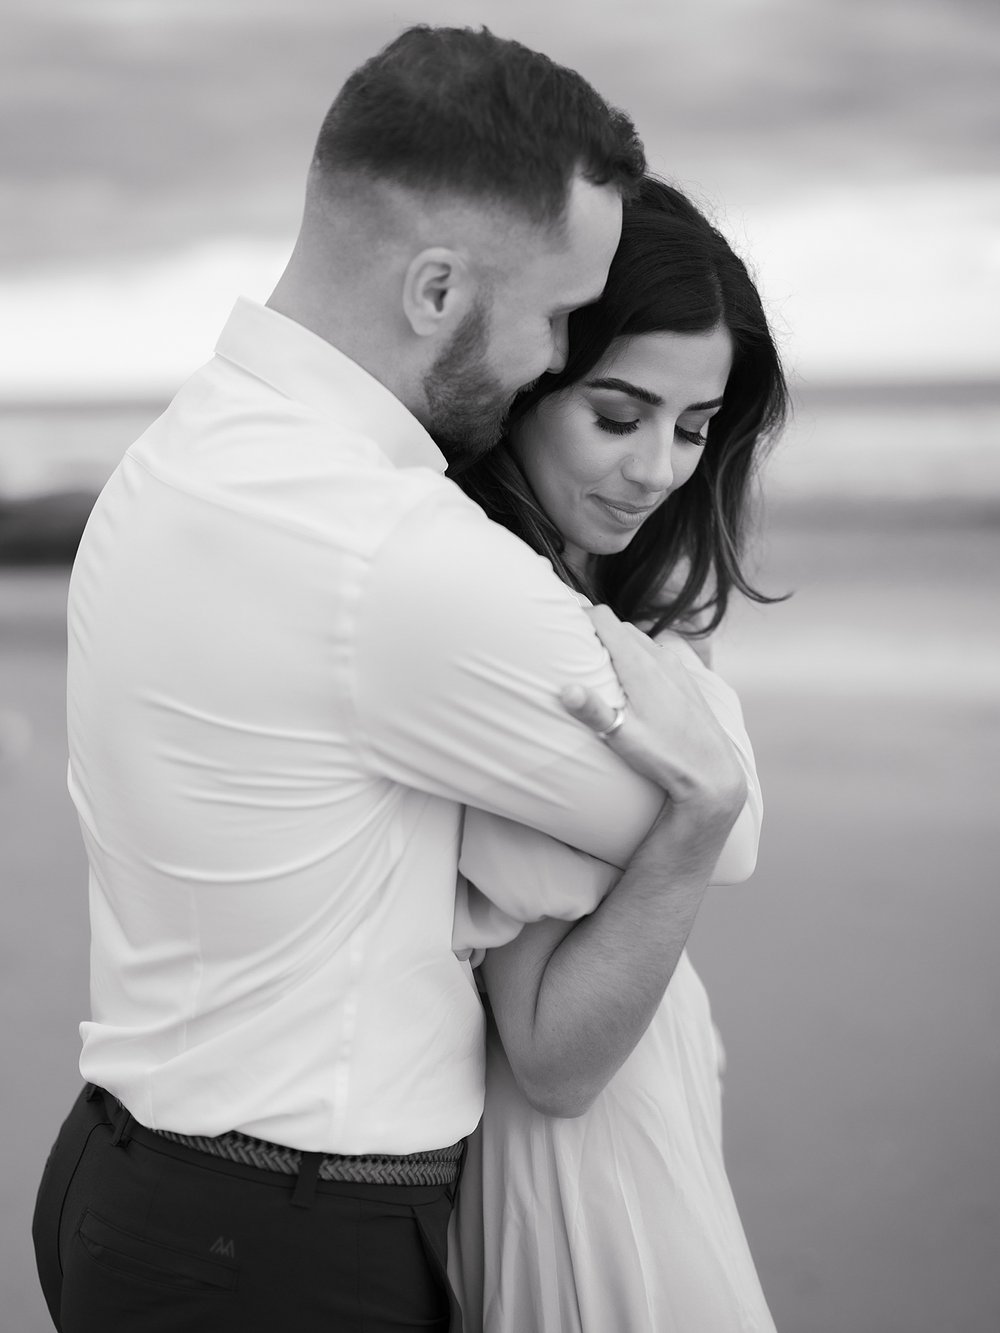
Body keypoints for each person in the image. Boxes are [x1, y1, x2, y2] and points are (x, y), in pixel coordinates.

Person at [30, 27, 748, 1333]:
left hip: (133, 1178)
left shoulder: (193, 447)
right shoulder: (392, 550)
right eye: (552, 316)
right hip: (278, 1243)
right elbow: (721, 813)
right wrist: (698, 750)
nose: (550, 353)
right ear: (434, 291)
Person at [448, 177, 788, 1331]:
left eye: (693, 428)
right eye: (617, 413)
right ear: (524, 383)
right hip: (574, 1173)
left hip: (656, 1112)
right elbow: (551, 1058)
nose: (658, 470)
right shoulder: (508, 628)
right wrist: (698, 815)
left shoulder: (607, 609)